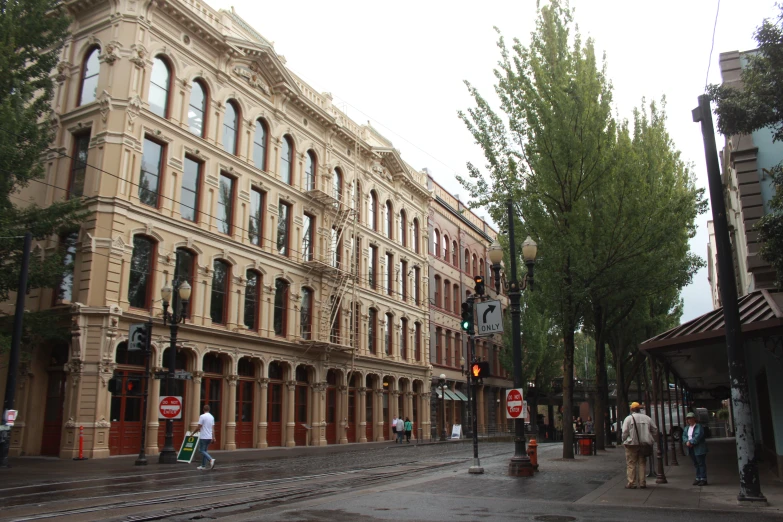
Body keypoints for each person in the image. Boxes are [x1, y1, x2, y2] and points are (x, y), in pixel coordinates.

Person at [621, 402, 658, 489]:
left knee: (631, 463)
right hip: (644, 444)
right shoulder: (647, 418)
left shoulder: (628, 419)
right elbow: (655, 430)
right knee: (642, 463)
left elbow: (624, 433)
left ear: (632, 409)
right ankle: (642, 482)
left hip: (631, 444)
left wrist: (624, 440)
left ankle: (632, 483)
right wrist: (649, 437)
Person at [683, 412, 708, 486]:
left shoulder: (698, 426)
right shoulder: (687, 428)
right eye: (688, 418)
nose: (689, 420)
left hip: (699, 448)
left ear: (694, 418)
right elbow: (684, 436)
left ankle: (703, 478)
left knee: (701, 463)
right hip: (691, 448)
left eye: (690, 418)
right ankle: (698, 477)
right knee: (696, 463)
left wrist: (690, 442)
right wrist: (686, 441)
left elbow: (698, 436)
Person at [196, 404, 216, 471]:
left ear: (203, 409)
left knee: (201, 450)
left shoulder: (202, 416)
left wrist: (193, 432)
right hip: (209, 436)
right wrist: (213, 437)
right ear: (209, 409)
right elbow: (213, 428)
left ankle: (210, 459)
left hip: (203, 436)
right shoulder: (212, 417)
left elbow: (199, 426)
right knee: (205, 451)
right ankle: (203, 465)